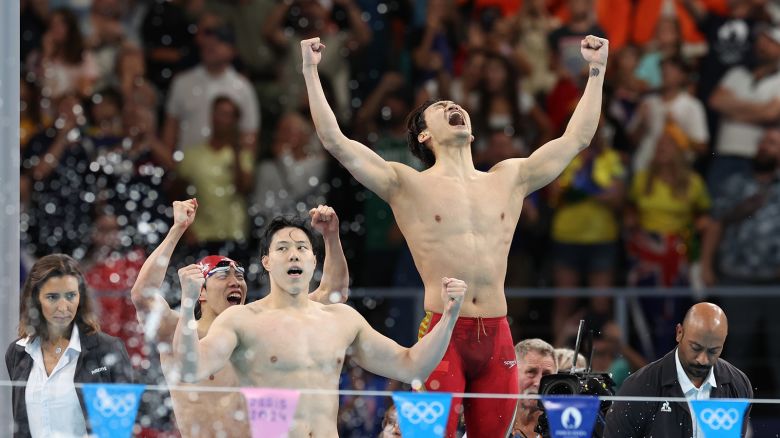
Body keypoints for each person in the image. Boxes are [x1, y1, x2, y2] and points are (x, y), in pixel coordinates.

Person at [302, 33, 609, 438]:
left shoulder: (510, 178)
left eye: (456, 105)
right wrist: (309, 69)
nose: (453, 107)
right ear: (424, 137)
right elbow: (336, 142)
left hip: (498, 334)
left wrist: (597, 69)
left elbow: (576, 139)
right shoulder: (405, 184)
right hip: (442, 335)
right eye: (441, 108)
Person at [172, 214, 467, 437]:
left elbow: (413, 367)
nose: (293, 254)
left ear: (314, 262)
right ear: (266, 262)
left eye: (302, 247)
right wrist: (187, 303)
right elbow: (190, 368)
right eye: (283, 248)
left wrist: (450, 316)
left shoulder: (341, 319)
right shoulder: (241, 320)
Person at [130, 200, 349, 437]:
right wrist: (177, 229)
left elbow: (333, 294)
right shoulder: (178, 332)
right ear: (200, 291)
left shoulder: (260, 324)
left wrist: (331, 237)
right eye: (223, 275)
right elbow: (142, 295)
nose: (235, 281)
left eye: (240, 275)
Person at [5, 254, 135, 437]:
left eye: (71, 296)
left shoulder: (106, 349)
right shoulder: (18, 352)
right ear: (34, 299)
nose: (63, 307)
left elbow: (121, 429)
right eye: (52, 297)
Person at [604, 302, 753, 437]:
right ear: (679, 333)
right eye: (695, 348)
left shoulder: (738, 385)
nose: (702, 359)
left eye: (713, 351)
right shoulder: (639, 387)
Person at [511, 339, 558, 438]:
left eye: (546, 375)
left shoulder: (563, 427)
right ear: (513, 374)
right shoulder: (495, 422)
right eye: (531, 372)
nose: (538, 382)